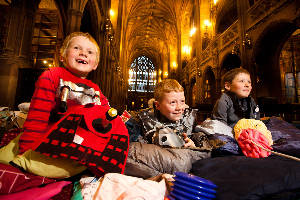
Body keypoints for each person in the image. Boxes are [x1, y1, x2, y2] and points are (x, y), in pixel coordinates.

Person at [14, 32, 129, 177]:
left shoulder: (96, 89)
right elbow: (37, 119)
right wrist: (26, 155)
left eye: (90, 52)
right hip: (52, 145)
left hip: (81, 147)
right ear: (62, 55)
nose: (83, 53)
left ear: (96, 64)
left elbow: (106, 115)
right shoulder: (52, 76)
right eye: (76, 48)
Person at [137, 79, 204, 148]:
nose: (179, 108)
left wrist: (195, 147)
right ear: (157, 105)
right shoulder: (141, 120)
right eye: (173, 102)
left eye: (182, 101)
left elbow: (206, 146)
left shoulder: (190, 118)